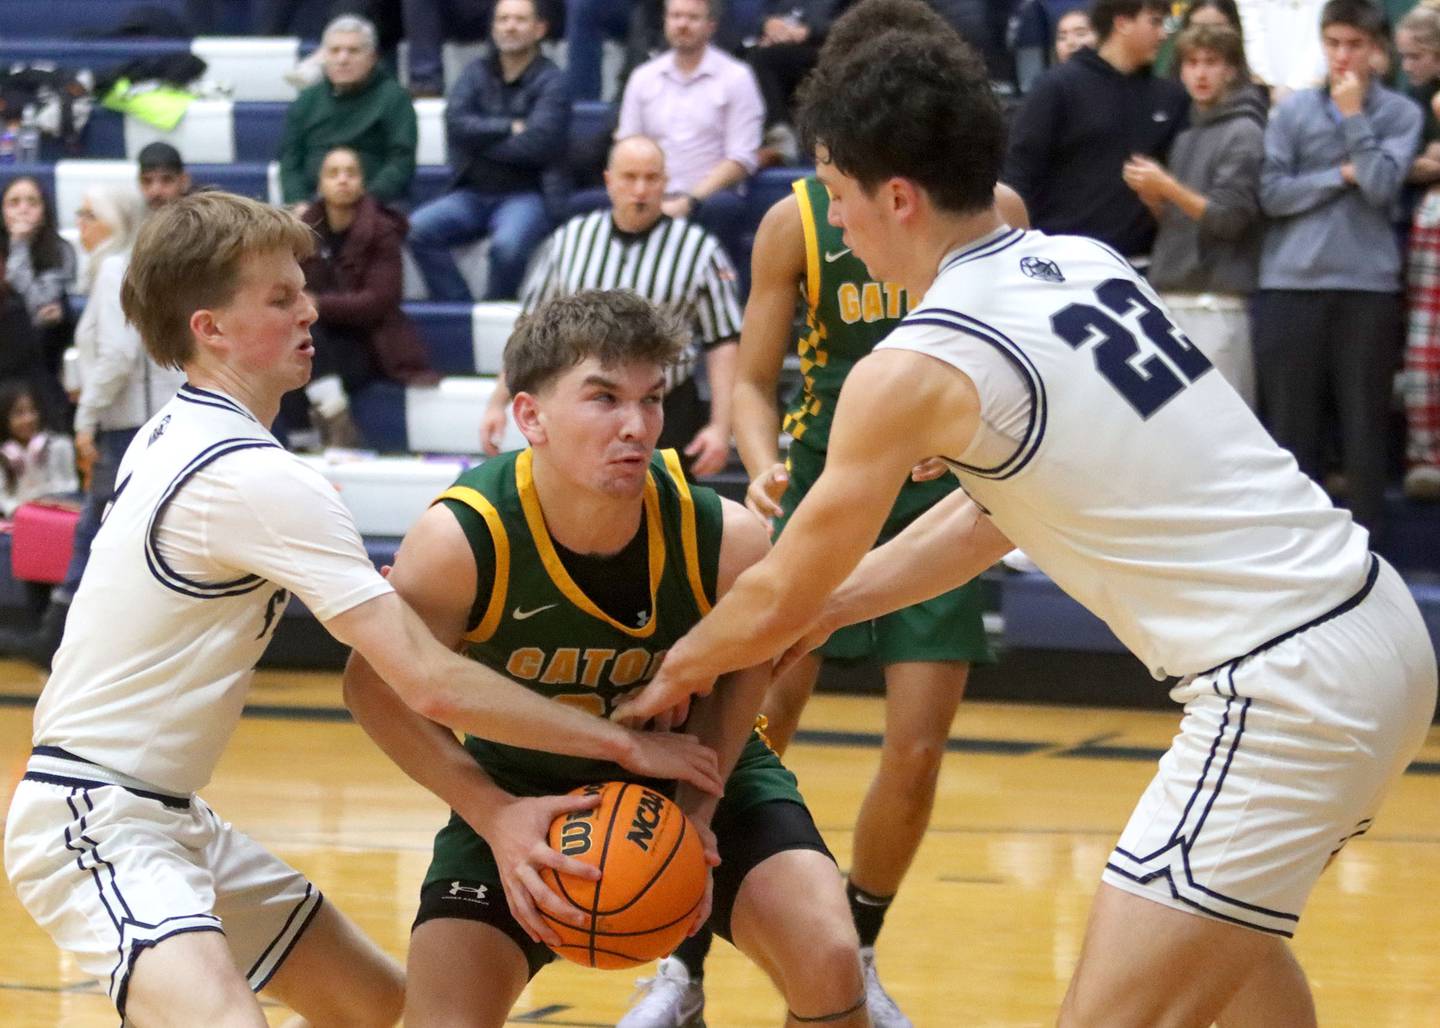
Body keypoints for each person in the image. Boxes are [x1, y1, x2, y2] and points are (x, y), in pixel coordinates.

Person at [612, 5, 1438, 1024]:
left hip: (1285, 691)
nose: (839, 224)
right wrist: (832, 612)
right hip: (1378, 632)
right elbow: (990, 516)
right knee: (1240, 977)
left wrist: (673, 669)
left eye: (839, 197)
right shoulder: (1080, 261)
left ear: (898, 197)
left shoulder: (920, 361)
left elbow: (784, 576)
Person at [2, 192, 722, 1028]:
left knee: (386, 1012)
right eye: (279, 297)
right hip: (95, 819)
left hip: (172, 819)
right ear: (211, 329)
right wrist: (621, 743)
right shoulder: (255, 476)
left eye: (301, 287)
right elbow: (431, 685)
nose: (310, 306)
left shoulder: (176, 434)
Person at [342, 287, 868, 1028]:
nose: (636, 426)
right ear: (530, 417)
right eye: (603, 399)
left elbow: (752, 666)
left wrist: (698, 811)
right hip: (523, 788)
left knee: (830, 959)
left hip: (703, 768)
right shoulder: (463, 541)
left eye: (651, 399)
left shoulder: (721, 535)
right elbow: (373, 692)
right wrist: (494, 816)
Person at [1253, 0, 1421, 541]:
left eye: (1355, 45)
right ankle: (1296, 551)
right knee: (1291, 432)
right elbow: (1272, 195)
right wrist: (1339, 174)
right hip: (1289, 285)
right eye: (1334, 44)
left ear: (1377, 50)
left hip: (1366, 288)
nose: (1344, 56)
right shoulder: (1294, 111)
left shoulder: (1400, 114)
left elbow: (1378, 185)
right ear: (1322, 45)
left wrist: (1353, 119)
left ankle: (1366, 555)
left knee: (1364, 431)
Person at [480, 136, 741, 476]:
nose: (640, 189)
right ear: (609, 181)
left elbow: (723, 343)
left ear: (666, 182)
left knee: (665, 522)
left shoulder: (699, 249)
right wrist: (497, 402)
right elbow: (532, 333)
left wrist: (721, 426)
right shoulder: (569, 240)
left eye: (651, 178)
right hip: (580, 409)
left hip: (665, 409)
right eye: (630, 177)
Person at [0, 185, 183, 668]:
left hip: (130, 426)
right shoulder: (125, 266)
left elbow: (120, 354)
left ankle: (59, 638)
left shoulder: (115, 269)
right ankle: (62, 636)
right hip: (146, 421)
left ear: (112, 222)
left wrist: (86, 416)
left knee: (101, 530)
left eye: (87, 216)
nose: (78, 224)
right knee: (101, 529)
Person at [1123, 23, 1265, 406]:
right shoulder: (1186, 136)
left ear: (1231, 69)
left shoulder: (1245, 131)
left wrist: (1166, 187)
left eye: (1212, 62)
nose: (1201, 73)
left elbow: (1230, 219)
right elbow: (1183, 220)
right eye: (1192, 63)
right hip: (1174, 295)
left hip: (1217, 301)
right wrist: (1155, 199)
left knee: (1227, 422)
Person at [1004, 0, 1188, 265]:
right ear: (1122, 22)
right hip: (1064, 264)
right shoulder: (1057, 87)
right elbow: (1017, 176)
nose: (1163, 34)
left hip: (1142, 266)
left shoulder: (1171, 97)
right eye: (1155, 21)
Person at [407, 0, 569, 302]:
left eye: (519, 20)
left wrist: (480, 143)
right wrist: (509, 128)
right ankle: (462, 307)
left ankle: (494, 309)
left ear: (539, 29)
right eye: (503, 19)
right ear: (493, 27)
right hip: (472, 192)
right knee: (416, 230)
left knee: (507, 247)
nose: (510, 26)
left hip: (527, 195)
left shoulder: (554, 81)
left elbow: (540, 143)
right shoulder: (474, 73)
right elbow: (455, 124)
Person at [294, 146, 437, 449]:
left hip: (370, 341)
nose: (342, 180)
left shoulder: (382, 230)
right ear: (320, 184)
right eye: (333, 173)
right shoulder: (304, 228)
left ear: (362, 182)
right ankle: (324, 427)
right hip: (321, 335)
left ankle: (320, 435)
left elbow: (380, 300)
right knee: (291, 347)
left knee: (303, 348)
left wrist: (319, 304)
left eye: (351, 173)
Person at [617, 0, 766, 262]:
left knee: (723, 208)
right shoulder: (643, 77)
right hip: (648, 192)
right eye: (675, 16)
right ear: (665, 22)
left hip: (709, 198)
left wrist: (689, 201)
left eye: (692, 18)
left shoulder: (737, 78)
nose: (682, 24)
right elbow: (627, 146)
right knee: (585, 204)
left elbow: (741, 159)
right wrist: (647, 196)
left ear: (710, 26)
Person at [277, 14, 418, 209]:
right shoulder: (307, 100)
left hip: (378, 203)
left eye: (353, 51)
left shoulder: (394, 98)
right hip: (313, 203)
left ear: (372, 58)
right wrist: (298, 203)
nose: (343, 59)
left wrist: (368, 202)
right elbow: (290, 160)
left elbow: (401, 160)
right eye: (335, 51)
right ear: (324, 57)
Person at [1399, 3, 1440, 500]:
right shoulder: (1413, 102)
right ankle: (1426, 453)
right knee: (1424, 344)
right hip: (1423, 219)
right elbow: (1407, 165)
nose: (1406, 66)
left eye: (1414, 57)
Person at [2, 175, 77, 397]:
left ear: (45, 212)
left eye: (32, 202)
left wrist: (19, 245)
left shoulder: (61, 250)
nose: (23, 209)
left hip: (44, 358)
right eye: (14, 203)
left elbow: (37, 302)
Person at [0, 380, 78, 518]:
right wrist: (22, 511)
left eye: (32, 411)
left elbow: (70, 485)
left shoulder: (59, 445)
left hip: (56, 517)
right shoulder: (4, 455)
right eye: (19, 413)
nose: (28, 419)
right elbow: (3, 498)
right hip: (19, 522)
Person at [136, 142, 193, 212]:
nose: (155, 192)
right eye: (147, 181)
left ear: (184, 181)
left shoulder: (202, 217)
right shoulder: (132, 212)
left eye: (166, 180)